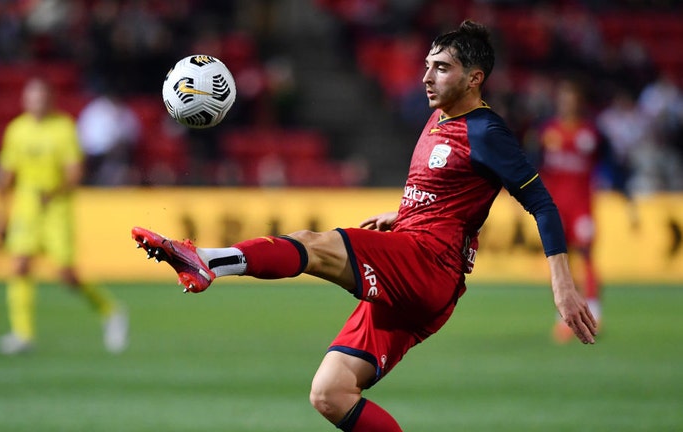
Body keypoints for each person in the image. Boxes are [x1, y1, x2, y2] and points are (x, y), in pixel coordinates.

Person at [132, 21, 597, 431]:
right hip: (425, 275)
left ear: (475, 78)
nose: (425, 76)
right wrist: (405, 215)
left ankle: (208, 261)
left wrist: (562, 285)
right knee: (331, 394)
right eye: (427, 65)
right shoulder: (438, 119)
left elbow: (541, 203)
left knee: (314, 245)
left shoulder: (486, 131)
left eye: (440, 68)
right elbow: (462, 196)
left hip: (425, 263)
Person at [0, 77, 128, 355]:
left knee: (66, 274)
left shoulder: (63, 128)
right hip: (26, 207)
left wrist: (53, 192)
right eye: (31, 97)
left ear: (50, 99)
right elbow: (6, 174)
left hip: (56, 208)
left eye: (40, 97)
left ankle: (111, 310)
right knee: (19, 265)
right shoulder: (17, 130)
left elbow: (75, 172)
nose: (35, 102)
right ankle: (23, 334)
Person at [530, 79, 604, 343]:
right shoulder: (547, 131)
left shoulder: (591, 133)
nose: (567, 102)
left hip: (582, 205)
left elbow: (607, 162)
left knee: (586, 255)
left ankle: (594, 312)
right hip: (555, 207)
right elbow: (535, 164)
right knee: (562, 261)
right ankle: (566, 318)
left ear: (579, 100)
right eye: (563, 97)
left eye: (571, 97)